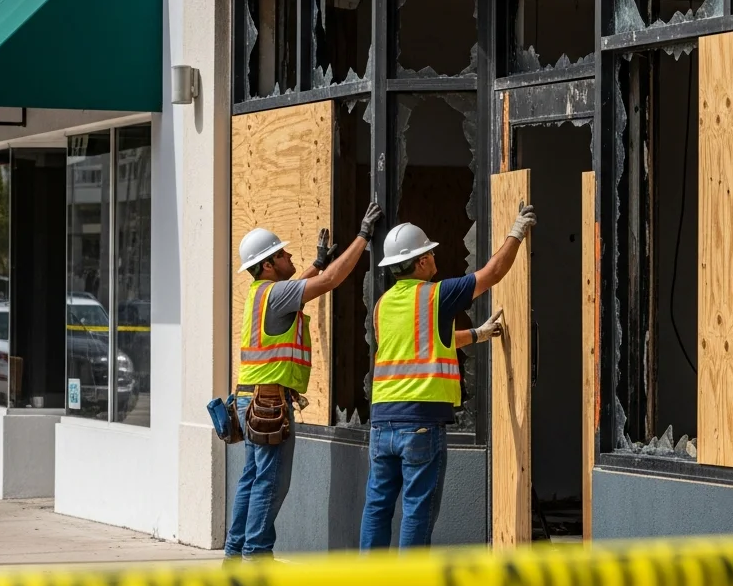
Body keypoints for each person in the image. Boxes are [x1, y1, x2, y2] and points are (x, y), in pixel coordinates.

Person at [359, 204, 536, 550]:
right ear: (421, 262)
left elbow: (424, 343)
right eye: (430, 252)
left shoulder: (383, 305)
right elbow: (492, 274)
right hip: (421, 424)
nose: (434, 256)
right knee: (417, 510)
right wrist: (516, 232)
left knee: (377, 507)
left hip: (381, 424)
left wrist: (478, 334)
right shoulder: (436, 294)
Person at [226, 202, 381, 559]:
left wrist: (319, 260)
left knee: (252, 480)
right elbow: (327, 283)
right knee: (270, 483)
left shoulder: (260, 294)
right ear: (268, 265)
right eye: (282, 254)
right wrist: (363, 236)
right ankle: (256, 559)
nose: (289, 255)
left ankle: (236, 556)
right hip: (268, 404)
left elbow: (302, 283)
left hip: (250, 401)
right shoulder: (275, 294)